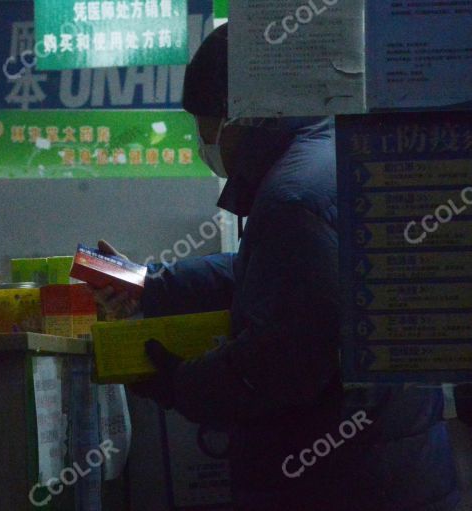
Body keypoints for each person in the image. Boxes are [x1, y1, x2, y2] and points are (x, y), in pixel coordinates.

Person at [92, 24, 460, 511]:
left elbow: (283, 363)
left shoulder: (293, 200)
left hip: (339, 483)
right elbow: (264, 273)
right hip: (392, 468)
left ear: (237, 114)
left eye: (201, 120)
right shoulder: (329, 160)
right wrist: (150, 284)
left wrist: (180, 383)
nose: (201, 139)